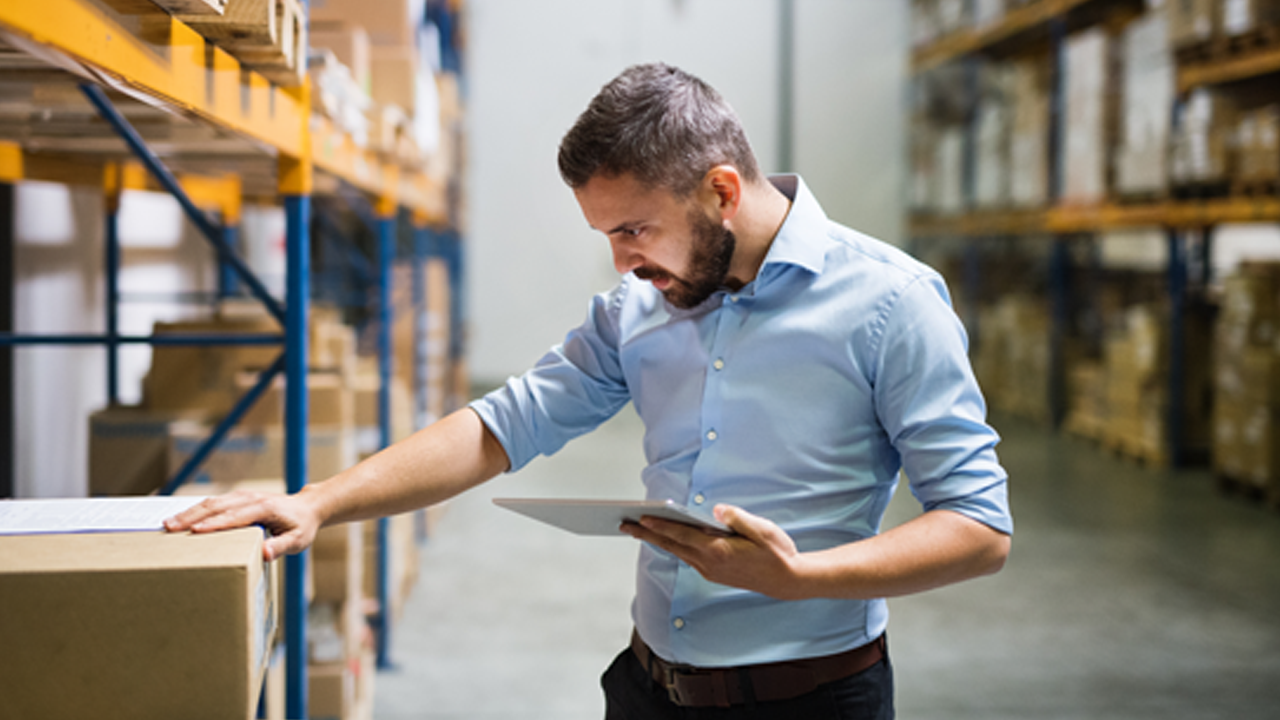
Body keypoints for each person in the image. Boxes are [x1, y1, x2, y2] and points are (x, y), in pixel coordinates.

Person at [167, 62, 1012, 719]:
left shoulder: (892, 303)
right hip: (650, 689)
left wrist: (805, 577)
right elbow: (502, 424)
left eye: (635, 230)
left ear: (720, 191)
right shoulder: (638, 308)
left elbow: (978, 527)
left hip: (814, 698)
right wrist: (319, 501)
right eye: (608, 235)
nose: (623, 264)